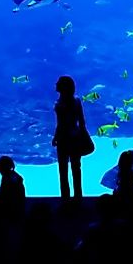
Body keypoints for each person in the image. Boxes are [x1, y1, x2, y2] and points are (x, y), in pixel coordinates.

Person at [52, 75, 88, 203]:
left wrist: (55, 137)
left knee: (63, 172)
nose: (56, 84)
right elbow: (82, 122)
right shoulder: (77, 101)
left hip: (63, 140)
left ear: (63, 87)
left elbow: (60, 124)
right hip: (76, 138)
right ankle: (78, 199)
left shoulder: (59, 104)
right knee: (76, 170)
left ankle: (65, 201)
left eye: (58, 83)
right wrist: (83, 135)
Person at [0, 155, 26, 220]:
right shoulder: (12, 177)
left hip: (11, 214)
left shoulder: (8, 179)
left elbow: (4, 197)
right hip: (16, 212)